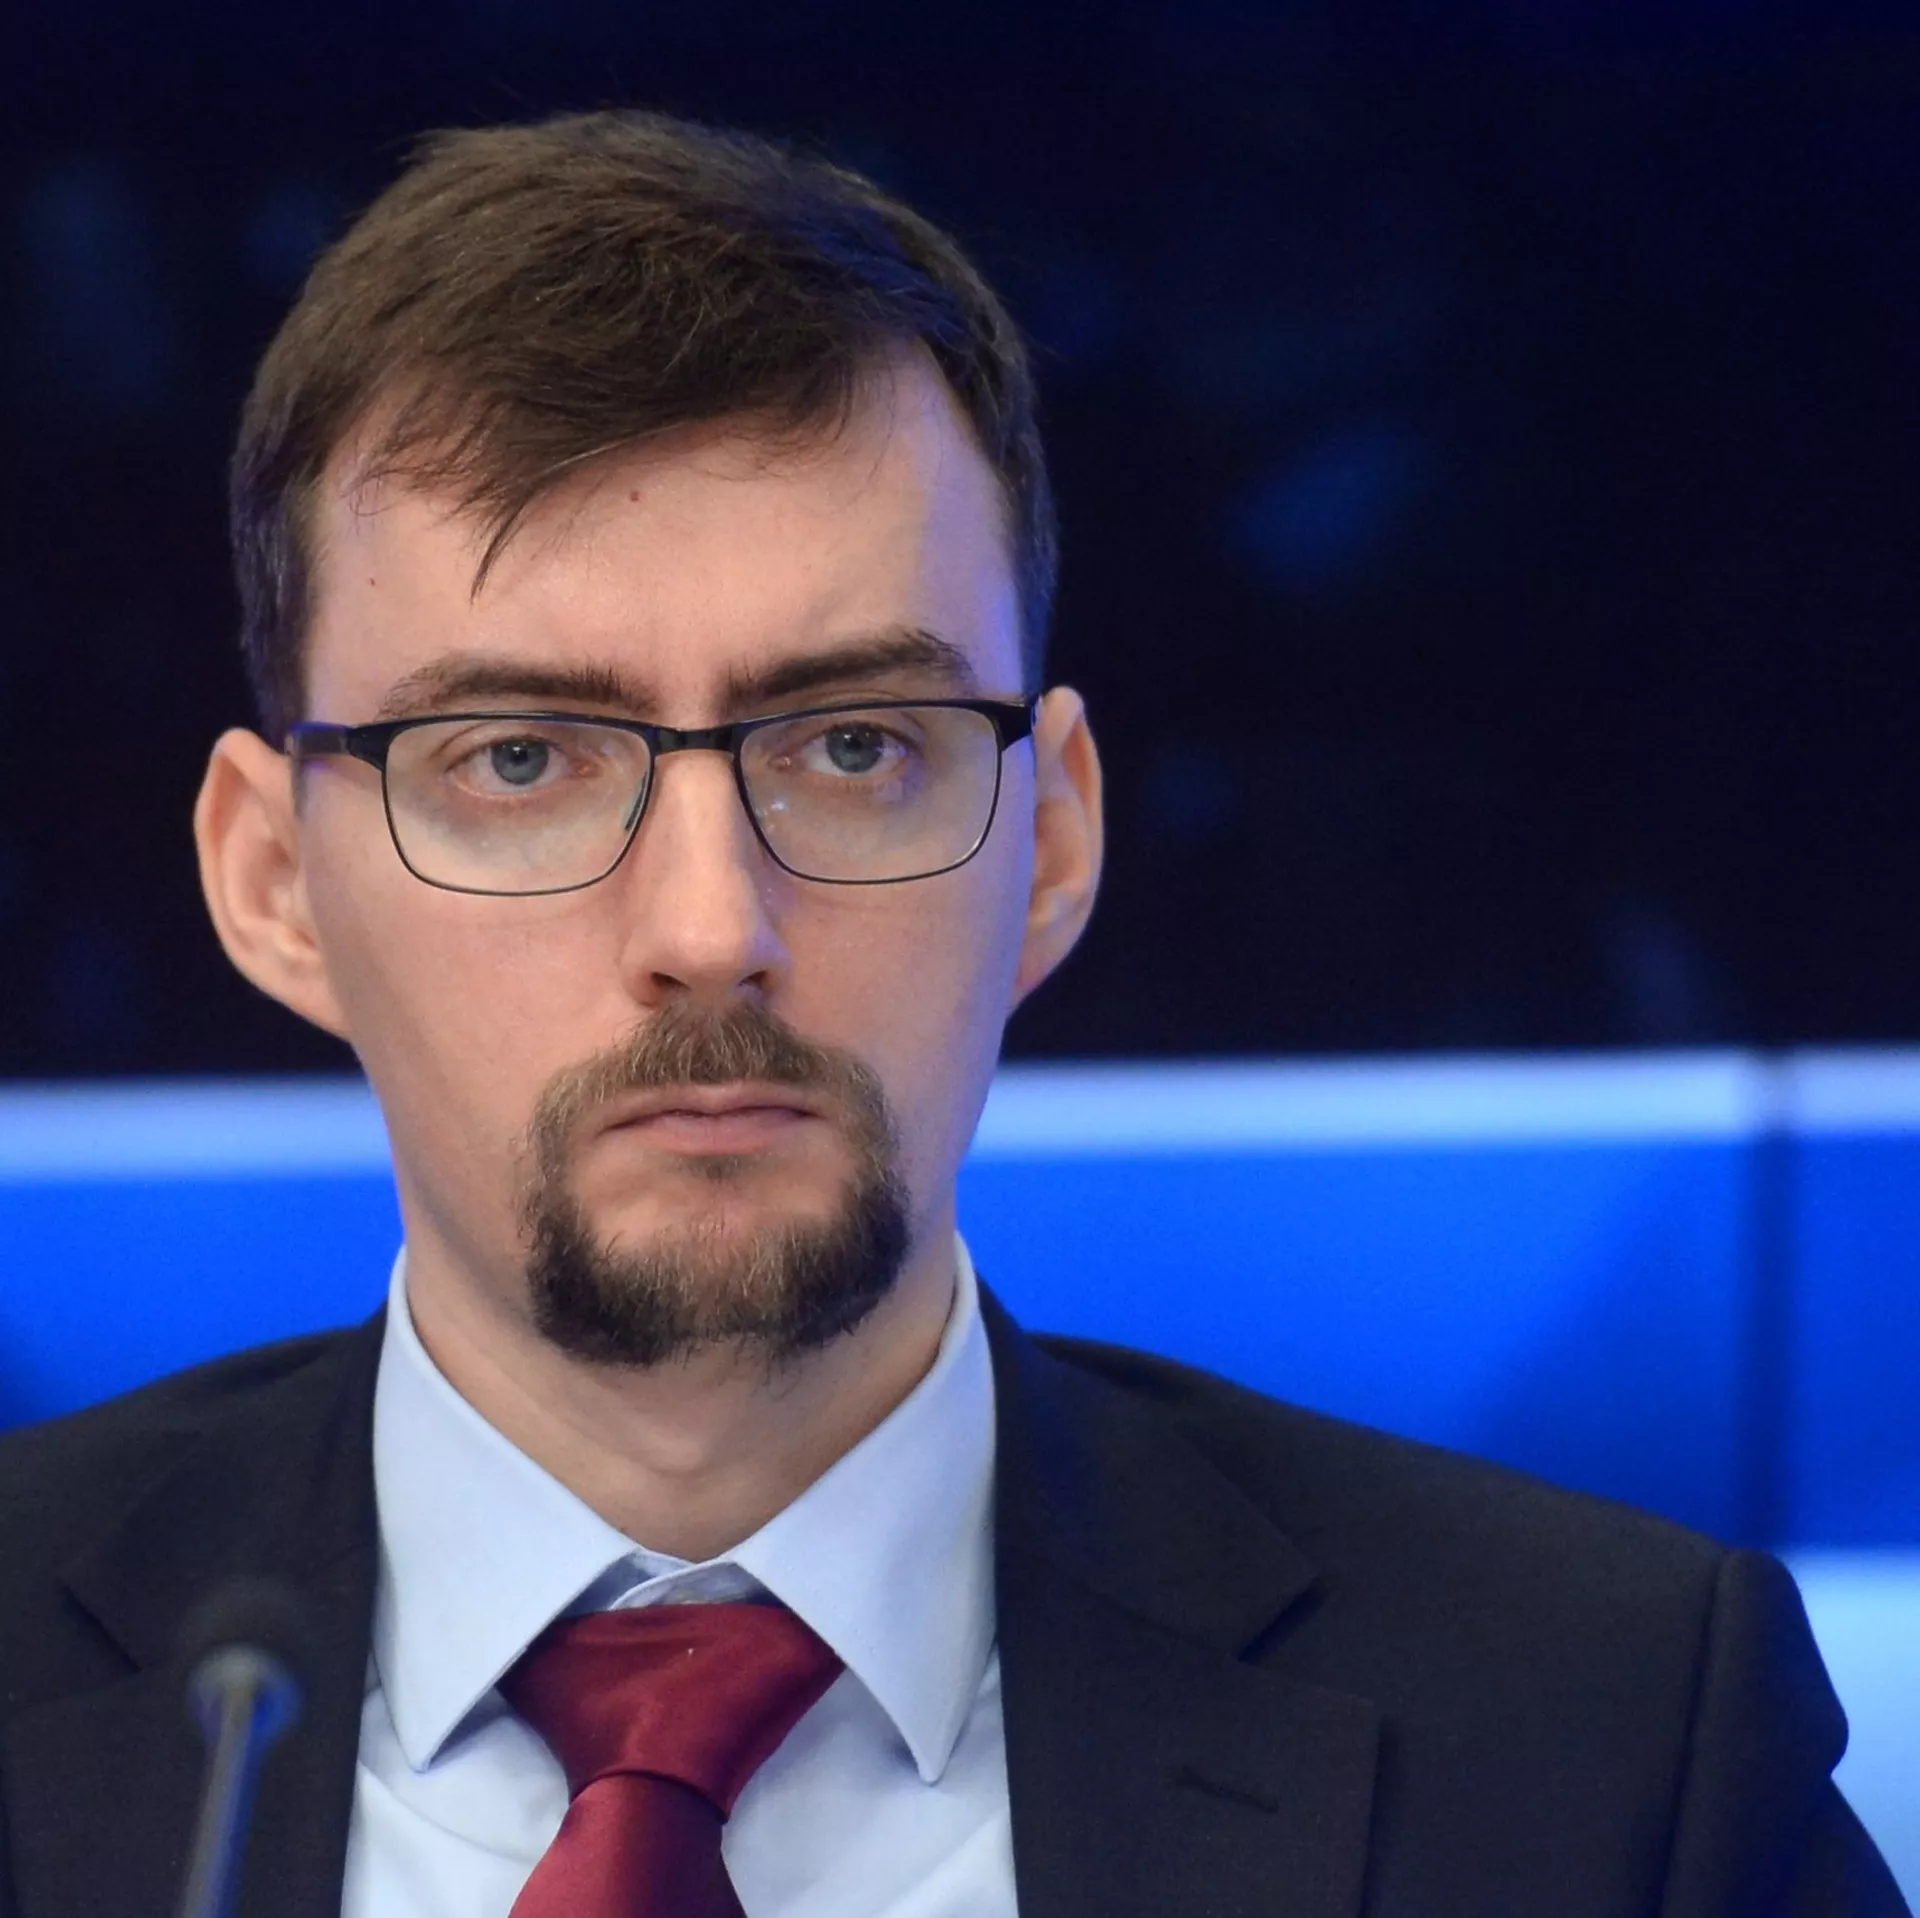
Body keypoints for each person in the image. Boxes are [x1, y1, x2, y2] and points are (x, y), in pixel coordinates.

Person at [0, 108, 1904, 1918]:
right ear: (273, 879)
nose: (710, 927)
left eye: (852, 746)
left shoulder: (1609, 1741)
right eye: (519, 758)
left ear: (1052, 839)